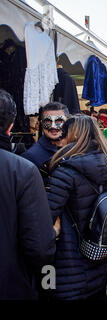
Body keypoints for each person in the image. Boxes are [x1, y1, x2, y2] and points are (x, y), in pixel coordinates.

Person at [46, 115, 107, 300]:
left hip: (72, 264)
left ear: (72, 136)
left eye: (63, 134)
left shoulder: (65, 171)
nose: (59, 138)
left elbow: (47, 216)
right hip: (104, 255)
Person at [0, 89, 57, 300]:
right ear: (11, 126)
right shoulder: (23, 168)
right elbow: (40, 247)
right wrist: (46, 286)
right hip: (11, 284)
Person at [22, 102, 69, 186]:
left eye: (59, 121)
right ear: (40, 124)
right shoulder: (30, 157)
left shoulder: (76, 149)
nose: (53, 126)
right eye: (48, 121)